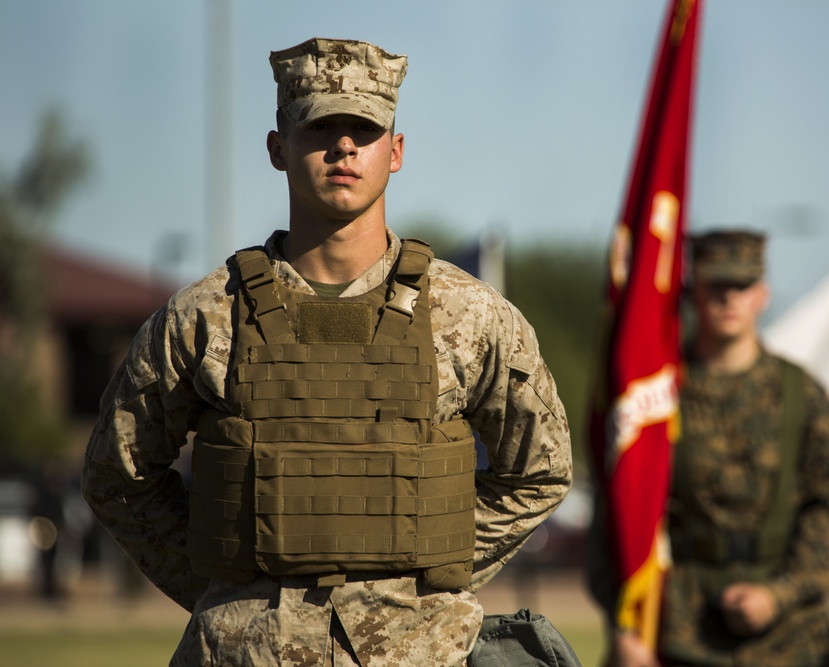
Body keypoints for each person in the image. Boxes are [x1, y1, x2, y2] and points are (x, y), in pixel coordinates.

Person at [81, 37, 573, 666]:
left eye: (363, 130)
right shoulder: (203, 316)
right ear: (277, 148)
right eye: (321, 126)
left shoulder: (471, 315)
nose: (343, 146)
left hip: (421, 653)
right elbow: (116, 475)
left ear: (394, 153)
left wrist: (428, 567)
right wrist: (226, 584)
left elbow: (542, 470)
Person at [591, 229, 829, 666]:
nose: (729, 299)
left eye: (743, 286)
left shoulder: (803, 395)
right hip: (681, 635)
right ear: (692, 293)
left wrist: (779, 595)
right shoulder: (656, 396)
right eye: (717, 286)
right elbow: (618, 515)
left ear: (763, 295)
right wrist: (626, 629)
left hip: (790, 638)